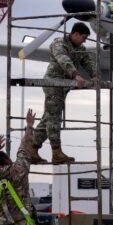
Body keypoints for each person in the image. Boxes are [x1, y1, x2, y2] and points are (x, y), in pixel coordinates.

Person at [32, 21, 95, 165]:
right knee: (54, 118)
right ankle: (56, 152)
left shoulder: (80, 48)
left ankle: (32, 149)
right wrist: (75, 74)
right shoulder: (59, 43)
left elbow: (88, 61)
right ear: (75, 34)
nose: (84, 41)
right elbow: (63, 58)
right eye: (83, 37)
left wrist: (94, 74)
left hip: (63, 86)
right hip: (54, 83)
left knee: (48, 118)